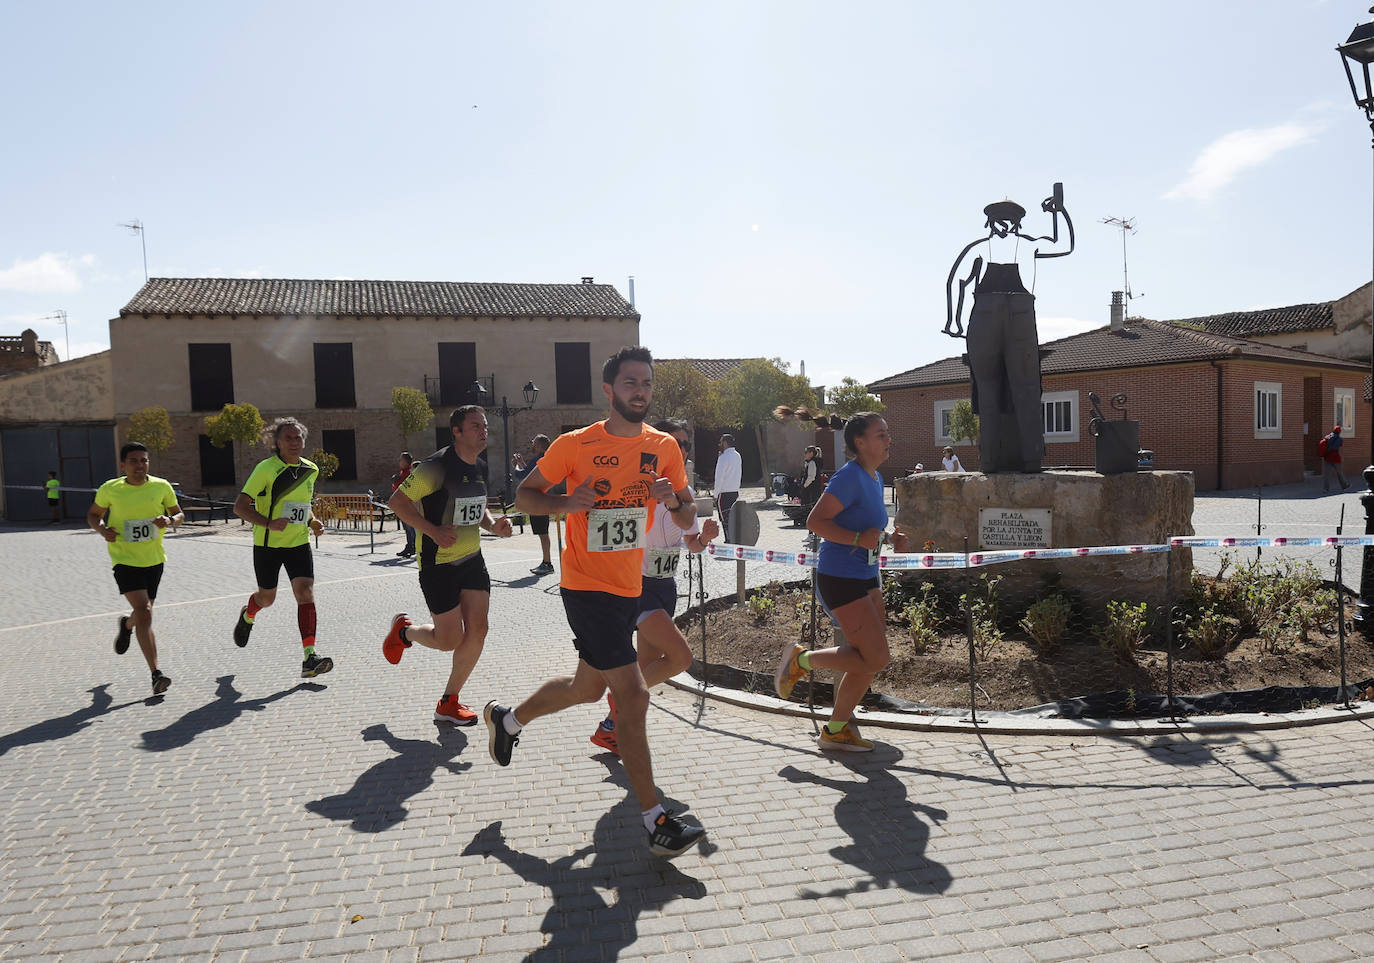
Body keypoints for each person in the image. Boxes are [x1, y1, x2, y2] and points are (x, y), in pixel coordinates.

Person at [486, 346, 707, 859]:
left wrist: (671, 499)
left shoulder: (664, 447)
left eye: (647, 383)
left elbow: (686, 514)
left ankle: (508, 719)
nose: (640, 391)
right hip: (586, 586)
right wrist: (564, 502)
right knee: (632, 695)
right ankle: (655, 820)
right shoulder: (577, 444)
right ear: (609, 390)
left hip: (631, 585)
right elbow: (525, 495)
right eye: (631, 383)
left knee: (587, 689)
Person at [775, 412, 910, 752]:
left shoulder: (875, 477)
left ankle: (835, 731)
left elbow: (868, 527)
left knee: (870, 660)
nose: (888, 439)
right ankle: (801, 661)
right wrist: (855, 539)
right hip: (840, 576)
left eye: (888, 432)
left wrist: (890, 537)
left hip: (867, 575)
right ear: (860, 443)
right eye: (881, 434)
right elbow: (815, 522)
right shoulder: (848, 477)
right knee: (875, 657)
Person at [589, 418, 719, 755]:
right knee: (679, 657)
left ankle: (612, 730)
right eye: (674, 441)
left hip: (665, 586)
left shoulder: (683, 491)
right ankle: (619, 704)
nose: (681, 448)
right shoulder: (636, 483)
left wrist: (703, 539)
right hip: (637, 586)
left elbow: (690, 542)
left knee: (647, 669)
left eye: (686, 443)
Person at [382, 405, 514, 725]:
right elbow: (397, 502)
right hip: (437, 564)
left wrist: (494, 525)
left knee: (479, 630)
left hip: (472, 560)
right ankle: (405, 632)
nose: (483, 430)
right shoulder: (436, 466)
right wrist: (433, 531)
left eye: (484, 425)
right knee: (449, 640)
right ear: (456, 431)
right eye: (474, 426)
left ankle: (448, 702)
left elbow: (476, 509)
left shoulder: (479, 465)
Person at [230, 417, 334, 679]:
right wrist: (269, 523)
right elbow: (240, 507)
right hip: (268, 546)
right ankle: (248, 614)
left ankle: (310, 657)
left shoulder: (311, 469)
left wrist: (312, 521)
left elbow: (302, 504)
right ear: (277, 443)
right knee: (267, 598)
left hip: (298, 544)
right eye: (288, 438)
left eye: (298, 437)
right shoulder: (266, 469)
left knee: (305, 593)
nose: (294, 442)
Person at [87, 442, 184, 695]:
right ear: (123, 465)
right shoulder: (110, 489)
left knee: (142, 615)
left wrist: (170, 520)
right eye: (133, 461)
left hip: (154, 559)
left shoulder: (161, 486)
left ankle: (127, 625)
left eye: (143, 460)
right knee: (145, 612)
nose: (139, 465)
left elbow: (179, 514)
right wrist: (101, 529)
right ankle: (156, 674)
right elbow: (93, 514)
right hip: (124, 558)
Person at [513, 434, 554, 575]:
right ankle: (547, 562)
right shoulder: (543, 459)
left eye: (534, 442)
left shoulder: (538, 459)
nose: (532, 444)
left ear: (539, 445)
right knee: (543, 532)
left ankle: (547, 563)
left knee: (543, 533)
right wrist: (522, 463)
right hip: (541, 499)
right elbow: (530, 473)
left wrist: (517, 466)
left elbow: (522, 476)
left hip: (537, 501)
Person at [714, 433, 741, 542]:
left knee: (725, 519)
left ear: (725, 443)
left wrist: (715, 494)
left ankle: (729, 540)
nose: (719, 444)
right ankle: (736, 538)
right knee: (733, 517)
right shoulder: (737, 455)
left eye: (721, 442)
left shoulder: (723, 457)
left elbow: (719, 477)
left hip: (724, 493)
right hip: (735, 491)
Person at [391, 452, 416, 557]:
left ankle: (413, 546)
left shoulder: (409, 473)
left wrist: (397, 482)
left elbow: (404, 487)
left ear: (406, 461)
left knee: (410, 527)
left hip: (407, 504)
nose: (399, 461)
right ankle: (409, 545)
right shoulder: (402, 472)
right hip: (401, 504)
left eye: (401, 460)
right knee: (406, 528)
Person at [1320, 425, 1349, 493]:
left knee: (1326, 475)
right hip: (1336, 458)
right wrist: (1342, 457)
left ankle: (1325, 488)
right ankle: (1344, 485)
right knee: (1339, 473)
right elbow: (1340, 450)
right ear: (1339, 432)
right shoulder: (1340, 439)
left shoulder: (1327, 437)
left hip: (1327, 458)